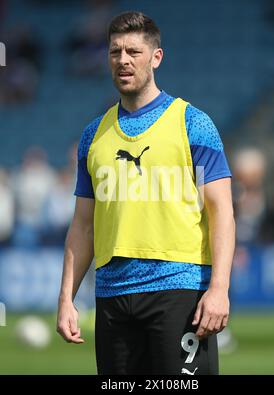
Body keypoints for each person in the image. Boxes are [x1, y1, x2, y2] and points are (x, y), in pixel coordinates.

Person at [56, 11, 235, 375]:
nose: (123, 60)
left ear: (156, 57)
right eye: (115, 52)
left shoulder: (193, 124)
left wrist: (219, 289)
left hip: (179, 292)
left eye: (134, 52)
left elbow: (222, 213)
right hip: (111, 297)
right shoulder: (93, 136)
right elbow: (83, 225)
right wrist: (66, 299)